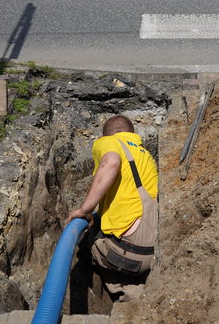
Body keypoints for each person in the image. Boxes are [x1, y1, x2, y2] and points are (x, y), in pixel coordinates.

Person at [68, 115, 158, 301]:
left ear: (106, 135)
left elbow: (111, 163)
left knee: (88, 243)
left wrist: (85, 210)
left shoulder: (109, 142)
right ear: (131, 133)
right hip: (155, 252)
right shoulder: (145, 155)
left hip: (127, 257)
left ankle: (128, 292)